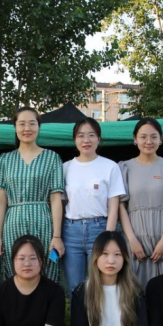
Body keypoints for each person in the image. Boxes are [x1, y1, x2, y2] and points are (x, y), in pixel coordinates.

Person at [0, 107, 64, 282]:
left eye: (32, 123)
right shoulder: (5, 159)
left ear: (39, 127)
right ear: (15, 127)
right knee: (14, 266)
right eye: (22, 124)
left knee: (46, 264)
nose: (27, 128)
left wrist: (57, 236)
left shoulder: (52, 158)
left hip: (43, 222)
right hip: (13, 223)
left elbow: (56, 199)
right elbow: (1, 200)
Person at [118, 118, 163, 287]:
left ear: (161, 139)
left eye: (154, 137)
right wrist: (131, 240)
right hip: (134, 237)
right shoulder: (124, 168)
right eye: (143, 137)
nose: (148, 141)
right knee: (134, 289)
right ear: (135, 139)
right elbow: (121, 207)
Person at [61, 117, 125, 294]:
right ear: (74, 139)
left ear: (99, 139)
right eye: (81, 135)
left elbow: (113, 206)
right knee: (75, 287)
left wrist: (108, 237)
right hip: (70, 231)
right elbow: (61, 204)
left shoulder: (110, 166)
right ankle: (77, 314)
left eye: (91, 135)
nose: (86, 140)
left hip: (99, 229)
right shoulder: (65, 168)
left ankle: (100, 314)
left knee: (99, 285)